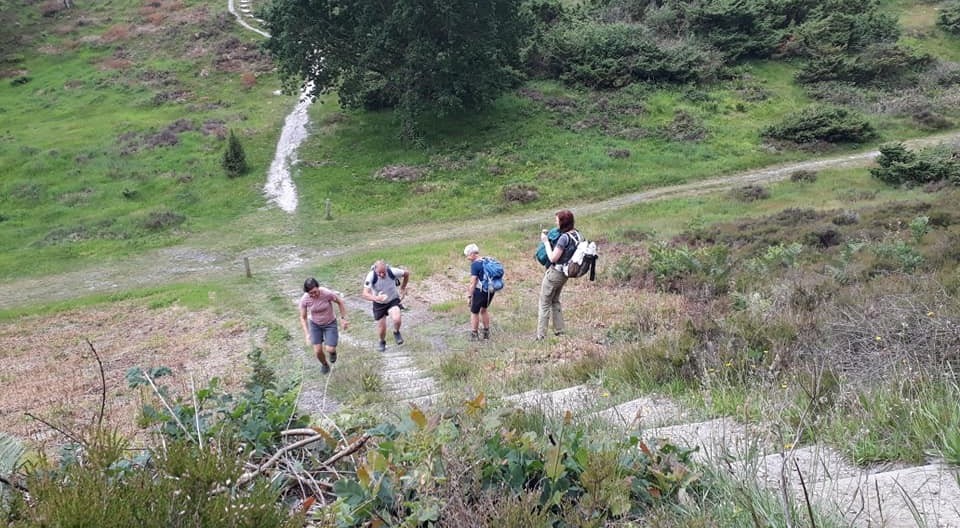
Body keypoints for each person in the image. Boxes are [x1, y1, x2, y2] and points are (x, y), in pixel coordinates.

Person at [537, 209, 579, 340]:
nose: (556, 223)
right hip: (565, 274)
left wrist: (545, 242)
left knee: (544, 303)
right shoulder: (577, 234)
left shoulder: (563, 238)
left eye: (557, 220)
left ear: (563, 222)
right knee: (555, 300)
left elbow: (553, 258)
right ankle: (559, 330)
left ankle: (541, 336)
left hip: (555, 273)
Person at [299, 277, 349, 375]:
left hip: (330, 323)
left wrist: (343, 319)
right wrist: (307, 334)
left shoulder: (327, 293)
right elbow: (303, 317)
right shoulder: (305, 299)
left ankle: (332, 352)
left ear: (318, 287)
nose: (313, 295)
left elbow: (340, 302)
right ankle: (325, 364)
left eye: (315, 292)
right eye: (311, 293)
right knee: (317, 351)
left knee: (330, 348)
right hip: (315, 324)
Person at [362, 260, 410, 352]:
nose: (382, 275)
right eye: (379, 273)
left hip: (393, 300)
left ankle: (396, 332)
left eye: (383, 273)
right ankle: (382, 341)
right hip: (379, 303)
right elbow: (364, 294)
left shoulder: (392, 271)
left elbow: (406, 274)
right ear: (375, 271)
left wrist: (403, 287)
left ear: (386, 269)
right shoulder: (371, 276)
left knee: (397, 318)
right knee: (382, 327)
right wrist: (376, 298)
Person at [464, 243, 494, 340]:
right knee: (484, 310)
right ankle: (486, 333)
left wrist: (469, 296)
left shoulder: (475, 265)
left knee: (474, 312)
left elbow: (473, 283)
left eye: (467, 255)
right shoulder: (487, 260)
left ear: (472, 254)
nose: (467, 258)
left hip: (480, 290)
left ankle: (474, 335)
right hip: (490, 290)